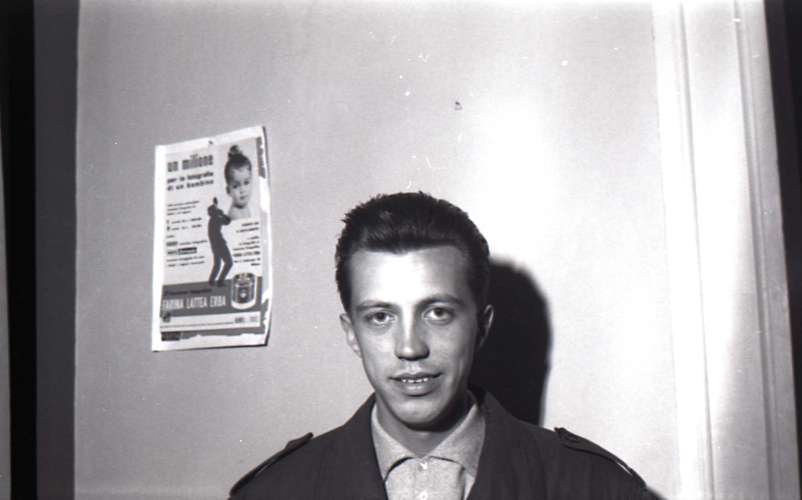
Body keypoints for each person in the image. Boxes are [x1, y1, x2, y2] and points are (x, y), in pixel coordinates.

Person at [230, 192, 654, 499]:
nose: (410, 347)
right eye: (380, 317)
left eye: (437, 313)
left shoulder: (595, 488)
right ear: (352, 334)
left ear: (482, 327)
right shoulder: (275, 492)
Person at [207, 196, 233, 287]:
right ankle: (220, 282)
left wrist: (218, 210)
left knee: (217, 264)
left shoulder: (211, 220)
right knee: (229, 263)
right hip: (220, 244)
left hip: (214, 246)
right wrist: (222, 214)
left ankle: (211, 282)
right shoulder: (216, 219)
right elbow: (228, 221)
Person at [224, 145, 253, 220]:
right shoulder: (235, 214)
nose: (242, 190)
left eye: (246, 183)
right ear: (228, 191)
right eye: (236, 186)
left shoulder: (244, 207)